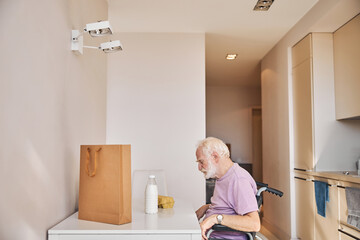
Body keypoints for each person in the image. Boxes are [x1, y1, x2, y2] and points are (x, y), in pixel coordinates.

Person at [195, 137, 260, 240]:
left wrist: (216, 218)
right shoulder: (223, 176)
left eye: (201, 162)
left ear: (215, 157)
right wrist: (208, 207)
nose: (199, 167)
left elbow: (254, 223)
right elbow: (229, 206)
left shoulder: (238, 180)